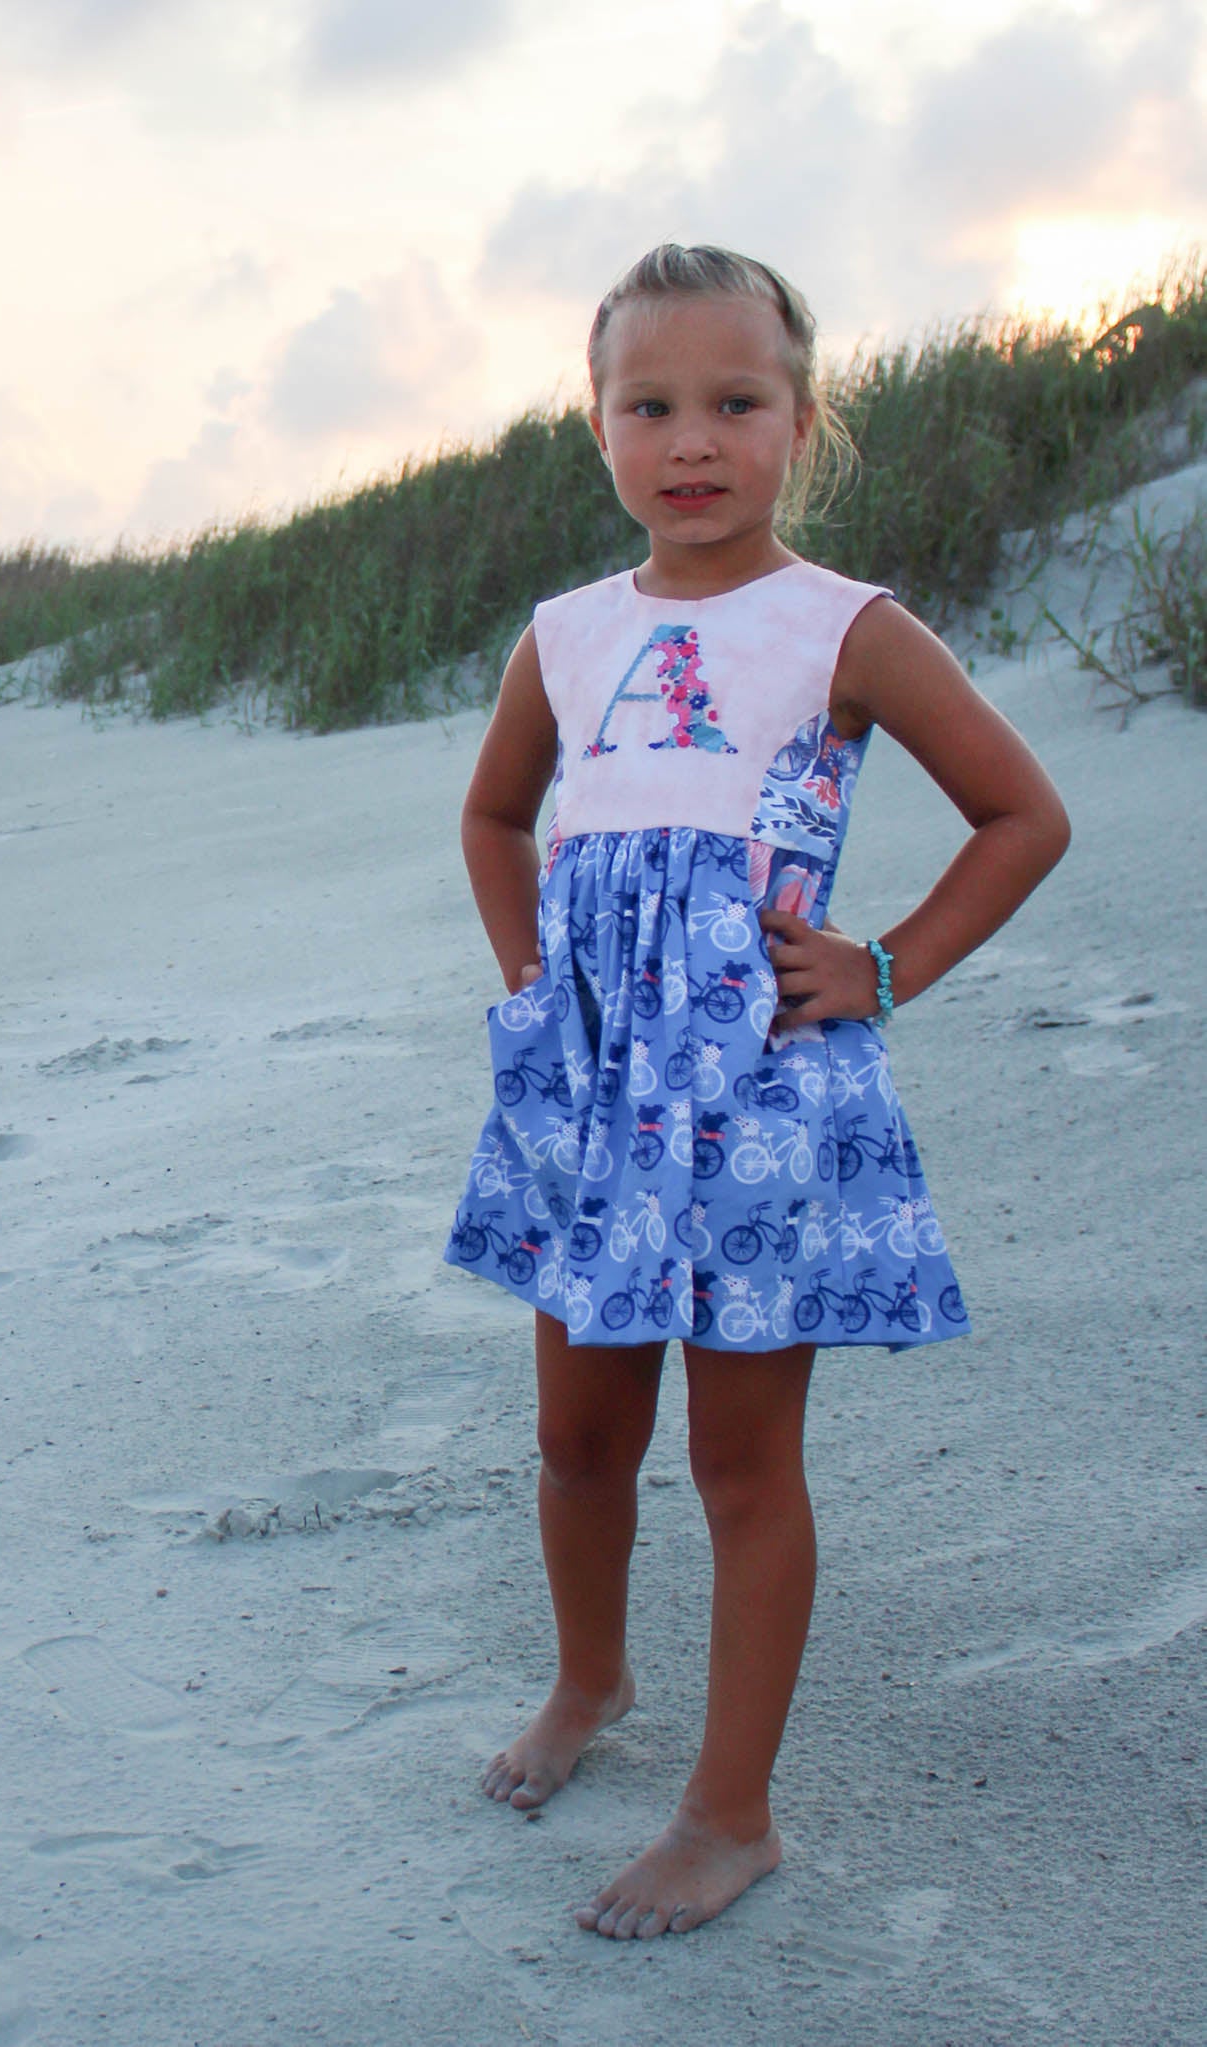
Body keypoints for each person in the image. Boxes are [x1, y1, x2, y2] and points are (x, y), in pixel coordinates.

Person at [443, 244, 1069, 1940]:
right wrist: (533, 981)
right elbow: (494, 816)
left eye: (735, 401)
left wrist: (887, 967)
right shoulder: (565, 636)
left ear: (802, 419)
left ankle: (731, 1816)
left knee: (739, 1465)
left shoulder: (845, 627)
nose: (691, 441)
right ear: (597, 426)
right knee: (577, 1437)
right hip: (592, 1102)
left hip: (753, 1101)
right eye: (648, 406)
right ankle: (589, 1682)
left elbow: (1022, 816)